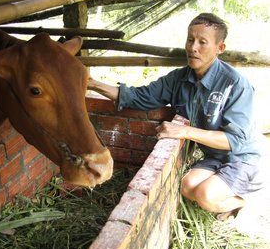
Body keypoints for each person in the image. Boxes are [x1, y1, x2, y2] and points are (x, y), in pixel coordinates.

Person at [88, 13, 263, 220]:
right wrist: (91, 83)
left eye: (202, 42)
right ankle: (222, 193)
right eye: (190, 39)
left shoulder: (235, 84)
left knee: (205, 196)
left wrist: (184, 131)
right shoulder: (180, 78)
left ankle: (244, 202)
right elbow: (138, 97)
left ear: (220, 48)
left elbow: (235, 140)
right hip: (215, 157)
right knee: (187, 187)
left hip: (243, 159)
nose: (192, 48)